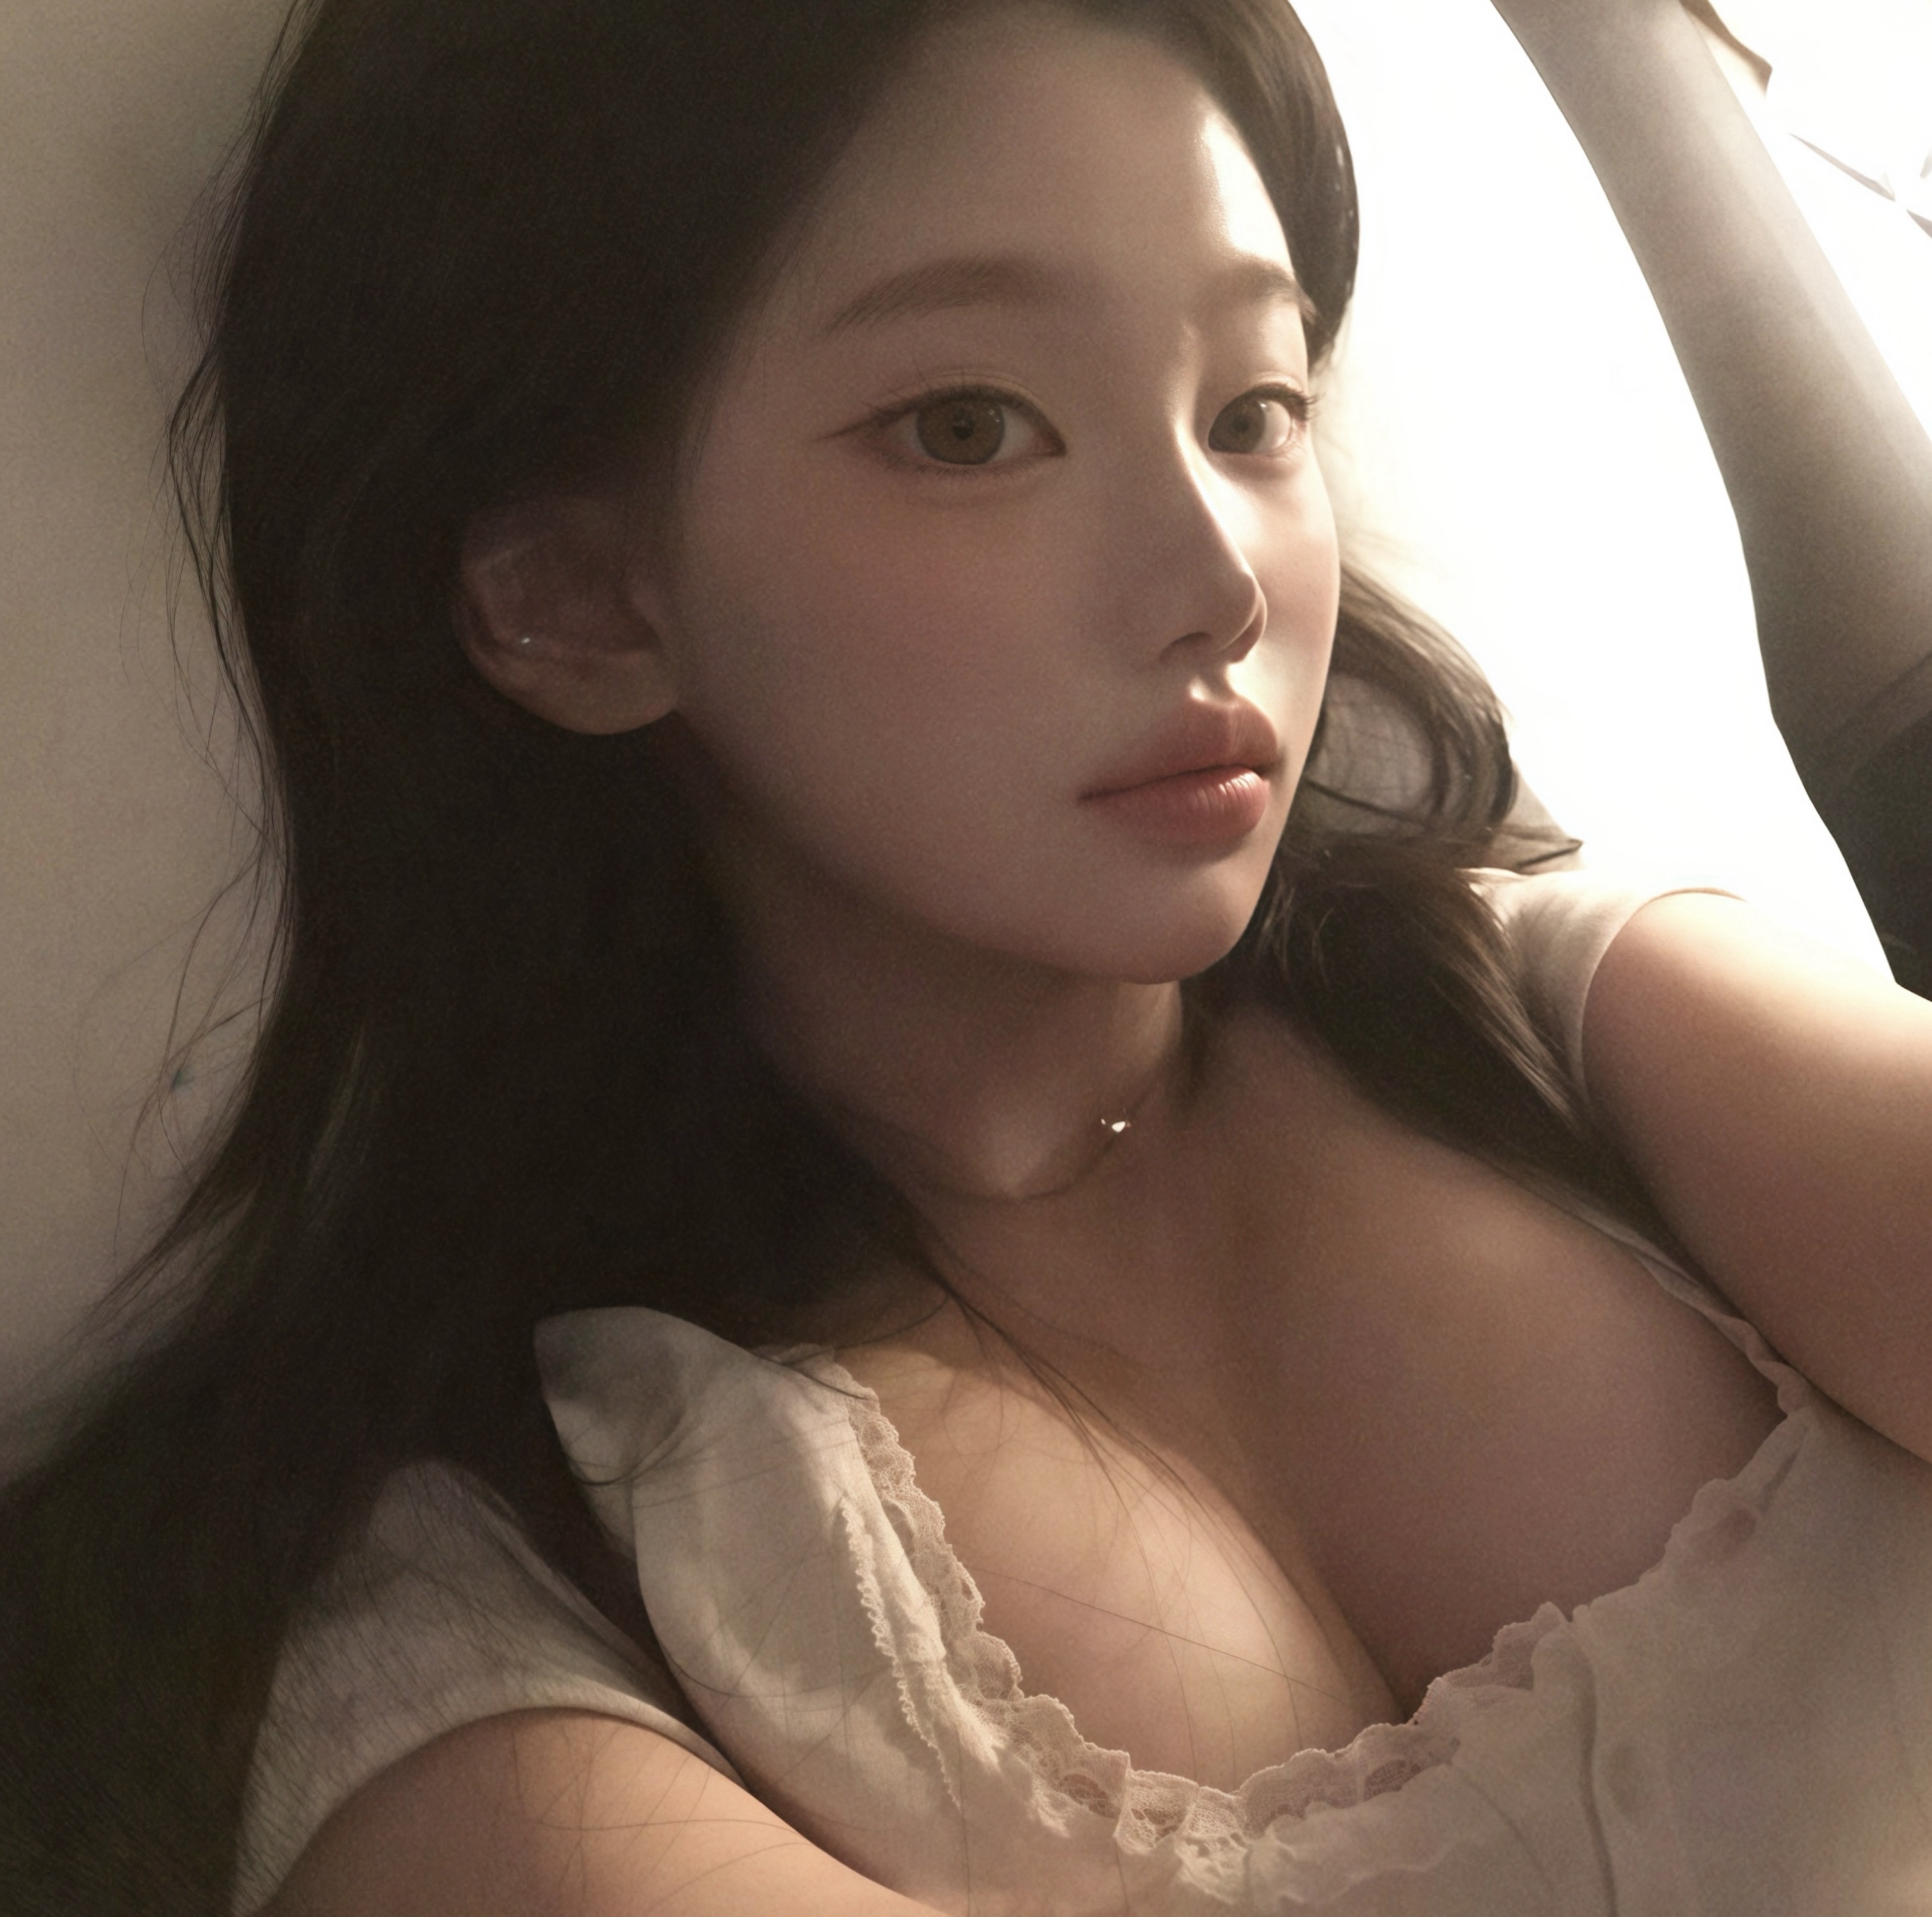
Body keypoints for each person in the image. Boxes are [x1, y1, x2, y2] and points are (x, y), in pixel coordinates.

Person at [1, 0, 1928, 1912]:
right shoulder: (469, 1611)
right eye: (968, 428)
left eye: (1254, 412)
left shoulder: (1560, 1012)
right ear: (578, 599)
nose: (1218, 581)